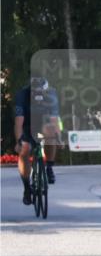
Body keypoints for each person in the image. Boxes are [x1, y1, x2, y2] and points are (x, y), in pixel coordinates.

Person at [13, 77, 61, 205]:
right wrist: (19, 141)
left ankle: (49, 167)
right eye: (35, 94)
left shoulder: (51, 96)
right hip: (27, 124)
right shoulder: (22, 96)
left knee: (51, 134)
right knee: (25, 149)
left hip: (43, 123)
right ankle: (27, 188)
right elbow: (19, 123)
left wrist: (58, 138)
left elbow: (54, 121)